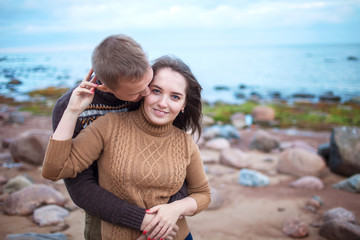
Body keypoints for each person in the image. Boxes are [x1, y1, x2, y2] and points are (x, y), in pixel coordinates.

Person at [42, 55, 211, 240]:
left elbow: (202, 193)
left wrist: (175, 209)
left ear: (183, 104)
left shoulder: (185, 142)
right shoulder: (108, 126)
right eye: (156, 91)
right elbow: (55, 170)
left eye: (175, 96)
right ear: (144, 90)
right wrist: (72, 110)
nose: (163, 103)